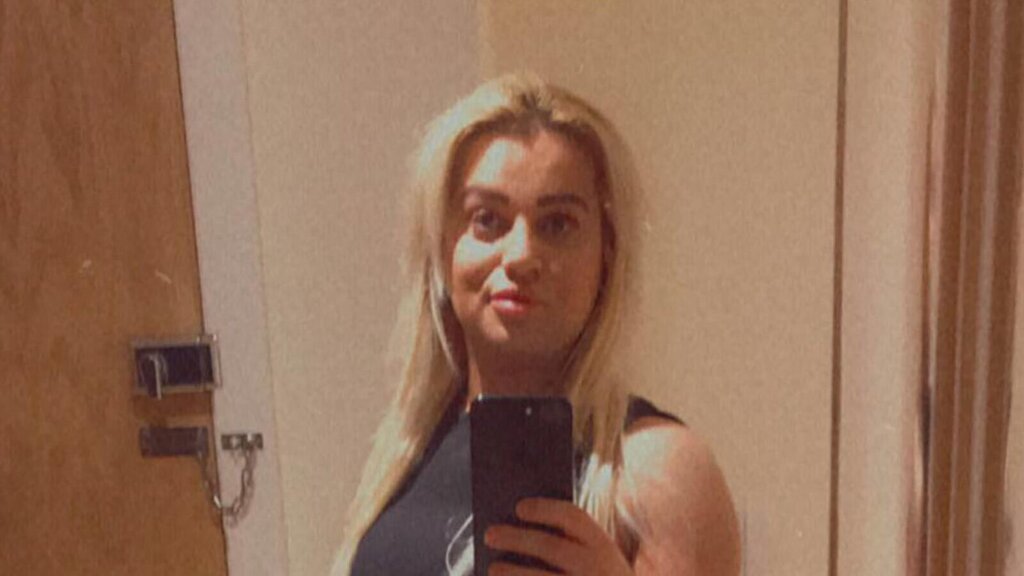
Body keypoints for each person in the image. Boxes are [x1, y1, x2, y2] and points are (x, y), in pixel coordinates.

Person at [331, 72, 740, 575]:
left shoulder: (657, 471)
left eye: (557, 224)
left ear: (606, 256)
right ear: (444, 247)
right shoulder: (408, 450)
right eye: (487, 219)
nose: (522, 255)